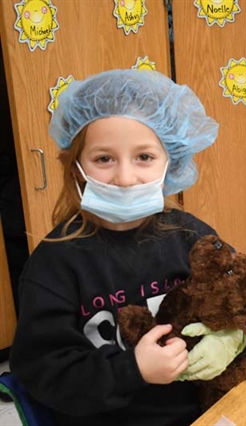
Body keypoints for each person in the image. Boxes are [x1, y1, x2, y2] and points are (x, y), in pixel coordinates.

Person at [9, 69, 234, 425]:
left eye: (144, 157)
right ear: (75, 167)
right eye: (103, 159)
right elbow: (42, 372)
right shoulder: (55, 263)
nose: (125, 178)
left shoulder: (191, 237)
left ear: (170, 162)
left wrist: (233, 340)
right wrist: (132, 370)